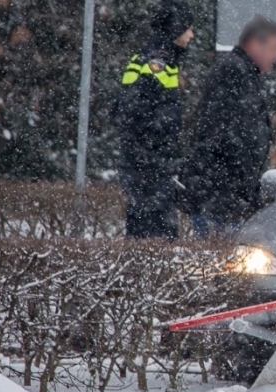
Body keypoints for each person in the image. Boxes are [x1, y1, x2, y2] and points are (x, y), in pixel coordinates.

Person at [182, 16, 276, 237]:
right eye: (274, 48)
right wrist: (240, 187)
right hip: (220, 197)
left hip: (225, 195)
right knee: (222, 263)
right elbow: (225, 135)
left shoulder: (245, 73)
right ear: (255, 45)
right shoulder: (234, 72)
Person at [114, 0, 194, 239]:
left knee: (145, 232)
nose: (192, 34)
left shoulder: (156, 58)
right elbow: (136, 112)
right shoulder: (157, 62)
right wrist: (158, 154)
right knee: (155, 236)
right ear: (175, 28)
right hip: (149, 167)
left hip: (146, 165)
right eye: (188, 27)